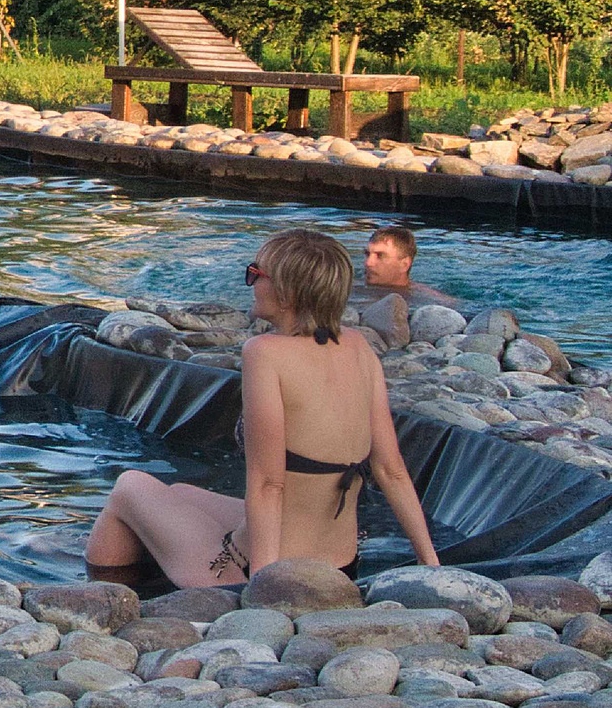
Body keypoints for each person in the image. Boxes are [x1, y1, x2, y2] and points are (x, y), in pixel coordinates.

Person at [86, 229, 439, 586]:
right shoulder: (358, 346)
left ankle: (102, 590)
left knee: (129, 486)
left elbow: (269, 484)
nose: (251, 283)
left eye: (255, 273)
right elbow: (391, 470)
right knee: (179, 494)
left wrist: (262, 591)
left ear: (286, 293)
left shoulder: (265, 352)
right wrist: (432, 565)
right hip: (340, 566)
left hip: (259, 568)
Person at [359, 226, 460, 307]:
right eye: (367, 254)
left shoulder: (430, 299)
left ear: (404, 265)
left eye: (380, 255)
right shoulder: (353, 285)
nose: (368, 263)